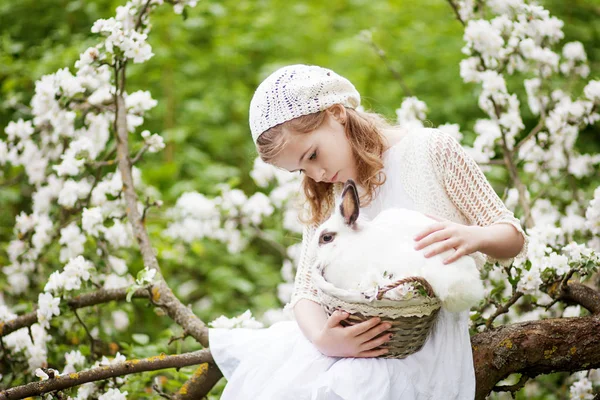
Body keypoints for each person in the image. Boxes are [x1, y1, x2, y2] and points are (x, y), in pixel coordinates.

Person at [208, 64, 528, 399]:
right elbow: (305, 289)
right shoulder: (329, 193)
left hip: (420, 346)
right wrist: (323, 338)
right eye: (301, 168)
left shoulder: (431, 150)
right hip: (349, 343)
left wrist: (473, 237)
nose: (316, 174)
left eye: (313, 155)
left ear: (335, 113)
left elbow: (511, 236)